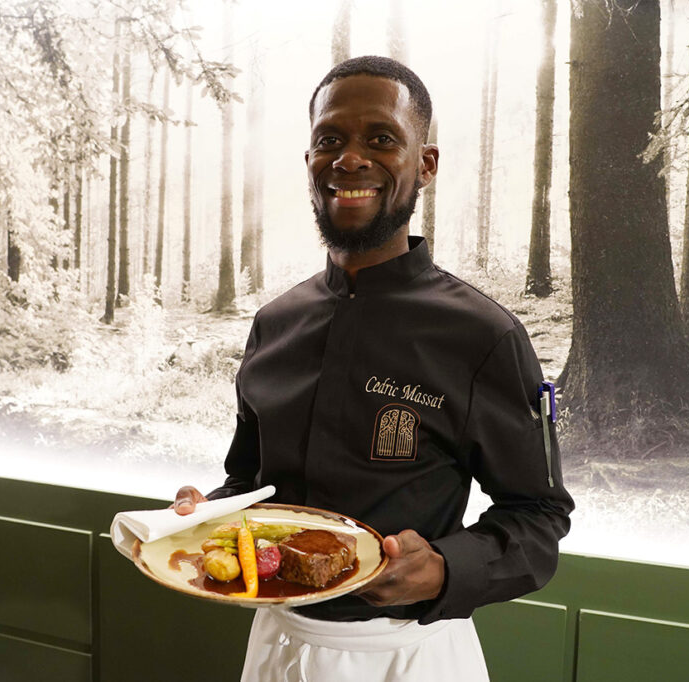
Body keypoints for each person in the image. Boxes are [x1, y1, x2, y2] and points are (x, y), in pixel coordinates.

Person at [172, 55, 574, 681]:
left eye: (381, 139)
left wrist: (445, 566)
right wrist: (208, 513)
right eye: (328, 140)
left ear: (426, 163)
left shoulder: (483, 336)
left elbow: (539, 516)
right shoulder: (274, 324)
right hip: (276, 644)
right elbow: (250, 481)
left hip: (410, 655)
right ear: (309, 162)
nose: (349, 158)